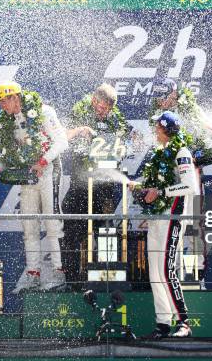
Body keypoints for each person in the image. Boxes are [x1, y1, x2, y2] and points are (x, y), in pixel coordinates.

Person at [149, 78, 212, 283]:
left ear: (174, 94)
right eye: (157, 98)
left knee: (192, 222)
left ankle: (195, 273)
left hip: (189, 167)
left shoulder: (189, 110)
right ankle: (170, 272)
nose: (160, 102)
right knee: (169, 222)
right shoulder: (156, 115)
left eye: (163, 97)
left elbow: (209, 129)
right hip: (165, 173)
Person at [0, 81, 68, 293]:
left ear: (14, 97)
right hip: (27, 177)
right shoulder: (7, 122)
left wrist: (43, 161)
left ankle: (58, 273)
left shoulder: (43, 112)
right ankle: (33, 275)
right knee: (29, 226)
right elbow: (8, 156)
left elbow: (62, 142)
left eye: (3, 100)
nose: (1, 105)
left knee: (51, 223)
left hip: (49, 173)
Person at [131, 111, 199, 339]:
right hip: (157, 218)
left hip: (172, 218)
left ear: (164, 128)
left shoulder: (182, 152)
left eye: (156, 128)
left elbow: (190, 186)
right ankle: (163, 323)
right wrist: (140, 188)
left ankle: (184, 323)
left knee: (166, 271)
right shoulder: (160, 152)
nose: (154, 131)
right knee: (155, 273)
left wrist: (160, 191)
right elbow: (156, 186)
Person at [61, 83, 130, 286]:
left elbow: (123, 143)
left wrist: (127, 142)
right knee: (72, 230)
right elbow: (65, 136)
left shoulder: (116, 119)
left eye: (108, 109)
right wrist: (80, 130)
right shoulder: (79, 112)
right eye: (101, 108)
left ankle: (106, 278)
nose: (104, 112)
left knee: (106, 229)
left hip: (105, 186)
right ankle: (72, 280)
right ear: (93, 100)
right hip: (80, 184)